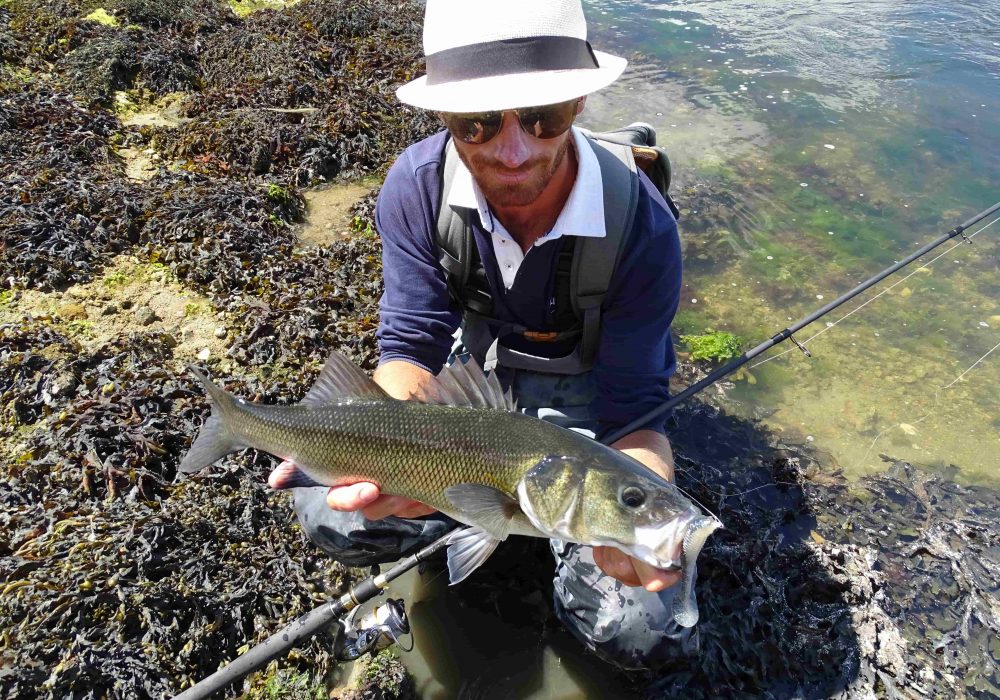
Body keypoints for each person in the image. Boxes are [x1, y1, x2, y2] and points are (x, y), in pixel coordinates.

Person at [286, 0, 692, 669]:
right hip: (472, 397)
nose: (513, 152)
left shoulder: (643, 226)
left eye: (543, 118)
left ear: (580, 100)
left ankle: (533, 549)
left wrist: (638, 513)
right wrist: (394, 452)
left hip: (590, 404)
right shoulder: (416, 188)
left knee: (642, 629)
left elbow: (636, 412)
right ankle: (475, 524)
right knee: (330, 508)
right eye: (476, 124)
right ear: (442, 116)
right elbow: (412, 347)